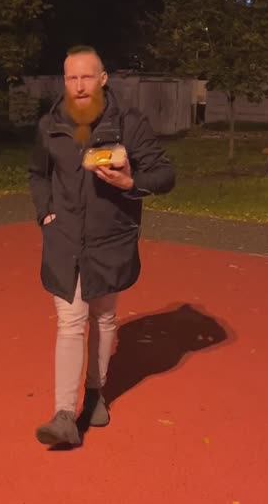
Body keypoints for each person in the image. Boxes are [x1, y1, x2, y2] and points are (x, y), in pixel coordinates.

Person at [28, 45, 176, 447]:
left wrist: (131, 183)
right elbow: (38, 174)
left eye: (87, 77)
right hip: (64, 239)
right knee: (70, 320)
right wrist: (45, 212)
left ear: (103, 79)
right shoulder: (50, 125)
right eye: (72, 78)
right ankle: (64, 414)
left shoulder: (129, 123)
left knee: (104, 317)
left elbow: (165, 174)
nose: (79, 86)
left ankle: (96, 393)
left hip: (110, 238)